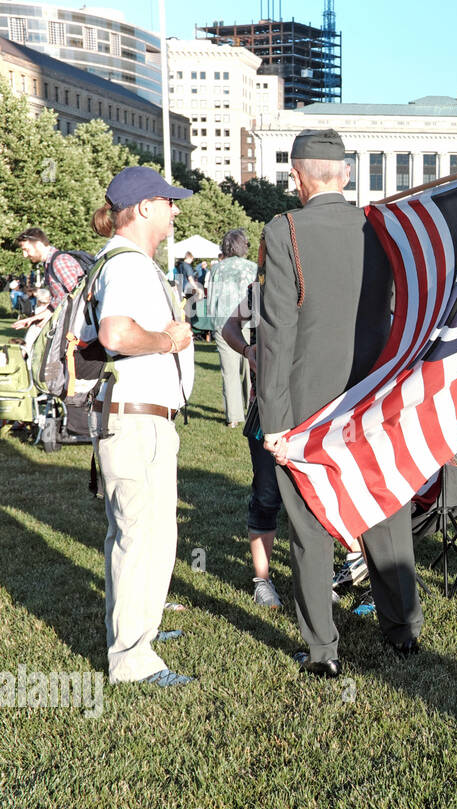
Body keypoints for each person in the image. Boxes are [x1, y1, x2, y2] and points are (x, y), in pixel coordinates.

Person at [259, 129, 422, 677]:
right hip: (373, 397)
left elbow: (276, 332)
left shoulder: (284, 230)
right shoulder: (380, 229)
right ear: (346, 175)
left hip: (307, 401)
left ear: (296, 177)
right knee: (384, 509)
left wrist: (275, 421)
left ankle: (323, 651)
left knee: (308, 528)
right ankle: (402, 629)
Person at [88, 166, 197, 686]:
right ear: (145, 207)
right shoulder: (128, 265)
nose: (176, 210)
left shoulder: (130, 262)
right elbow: (116, 333)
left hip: (140, 420)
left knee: (149, 536)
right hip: (136, 421)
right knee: (138, 537)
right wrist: (167, 341)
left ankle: (140, 629)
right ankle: (131, 658)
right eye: (169, 202)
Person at [220, 281, 284, 609]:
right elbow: (229, 325)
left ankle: (322, 574)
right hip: (267, 410)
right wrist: (247, 350)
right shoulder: (259, 290)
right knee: (267, 495)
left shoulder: (321, 276)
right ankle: (263, 580)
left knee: (315, 499)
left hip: (315, 412)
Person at [207, 229, 259, 428]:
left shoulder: (217, 269)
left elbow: (211, 299)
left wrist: (214, 324)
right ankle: (251, 405)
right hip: (247, 323)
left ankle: (234, 417)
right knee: (249, 366)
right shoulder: (252, 268)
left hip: (223, 323)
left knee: (229, 372)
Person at [16, 226, 84, 311]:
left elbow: (78, 297)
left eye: (26, 249)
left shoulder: (59, 262)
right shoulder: (49, 264)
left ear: (39, 245)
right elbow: (59, 301)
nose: (24, 255)